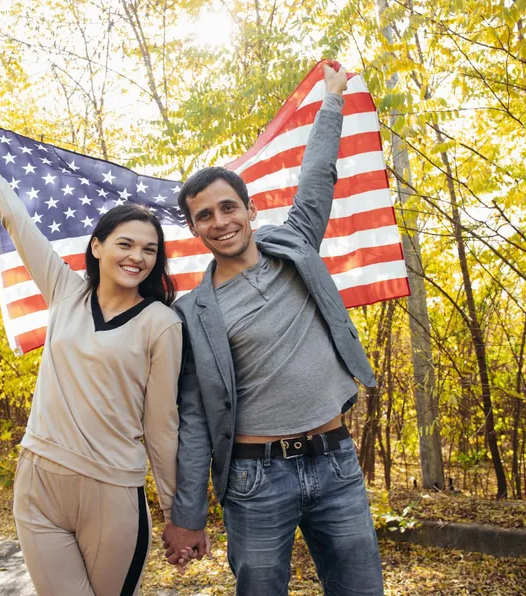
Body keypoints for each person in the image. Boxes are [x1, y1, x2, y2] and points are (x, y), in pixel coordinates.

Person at [161, 63, 386, 595]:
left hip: (336, 463)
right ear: (194, 230)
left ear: (250, 208)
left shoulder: (295, 246)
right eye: (205, 216)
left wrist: (333, 98)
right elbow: (194, 418)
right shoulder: (192, 312)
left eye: (227, 207)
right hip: (254, 478)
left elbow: (317, 176)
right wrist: (188, 513)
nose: (220, 222)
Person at [0, 125, 190, 595]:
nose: (137, 257)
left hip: (111, 490)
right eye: (125, 244)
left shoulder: (162, 323)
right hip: (38, 480)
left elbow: (162, 423)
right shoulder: (64, 292)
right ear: (97, 246)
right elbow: (18, 221)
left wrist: (175, 513)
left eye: (149, 250)